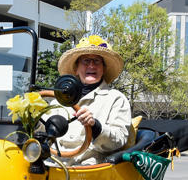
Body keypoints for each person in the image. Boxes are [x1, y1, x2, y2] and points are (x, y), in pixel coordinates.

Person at [51, 36, 132, 166]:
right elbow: (42, 131)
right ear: (76, 68)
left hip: (89, 167)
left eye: (96, 61)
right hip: (54, 162)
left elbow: (119, 139)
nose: (91, 65)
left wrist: (95, 126)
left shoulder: (116, 98)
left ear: (103, 69)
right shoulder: (60, 98)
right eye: (86, 61)